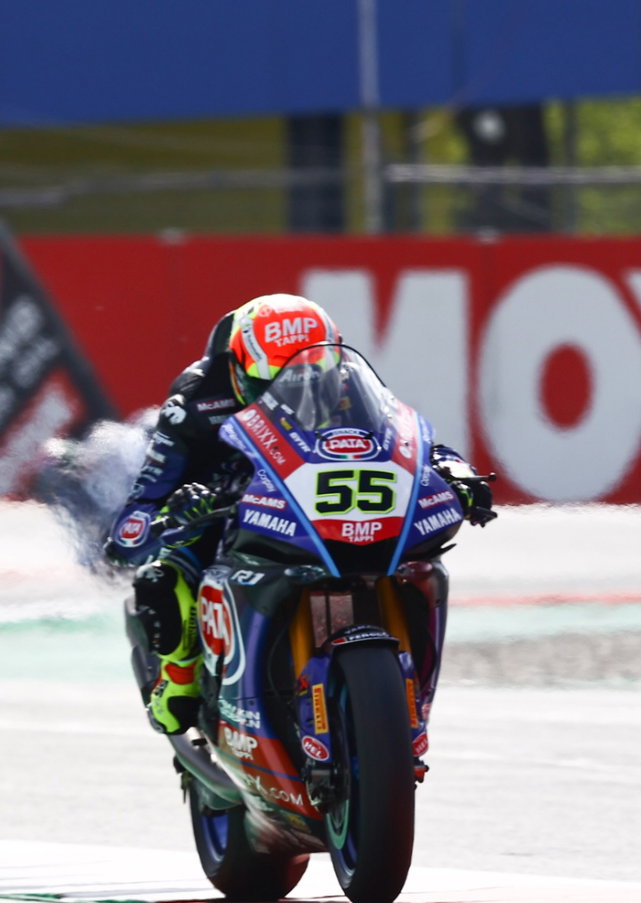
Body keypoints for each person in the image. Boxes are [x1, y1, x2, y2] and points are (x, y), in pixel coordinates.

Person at [103, 293, 496, 735]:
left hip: (314, 502)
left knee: (416, 560)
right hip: (226, 504)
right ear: (237, 368)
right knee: (164, 578)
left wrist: (457, 474)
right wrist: (176, 511)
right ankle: (178, 678)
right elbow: (138, 514)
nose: (293, 393)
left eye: (311, 378)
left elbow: (409, 443)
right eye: (270, 383)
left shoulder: (347, 385)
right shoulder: (194, 401)